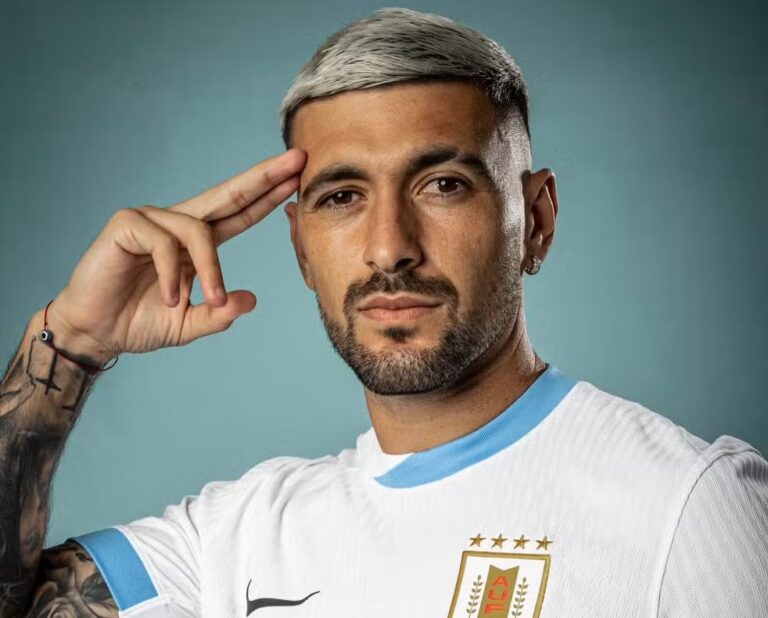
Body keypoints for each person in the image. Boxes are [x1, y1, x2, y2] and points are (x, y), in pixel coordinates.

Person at [1, 6, 766, 617]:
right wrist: (70, 343)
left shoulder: (691, 506)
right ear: (302, 250)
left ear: (535, 221)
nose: (388, 248)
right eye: (342, 197)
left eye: (443, 185)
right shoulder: (237, 539)